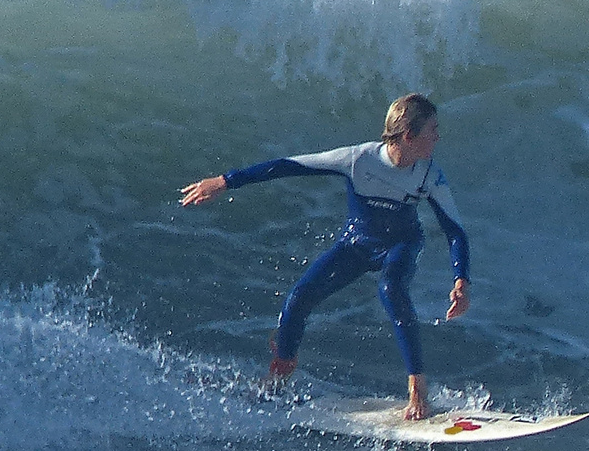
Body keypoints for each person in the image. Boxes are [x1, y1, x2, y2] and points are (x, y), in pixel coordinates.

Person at [179, 94, 469, 420]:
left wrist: (461, 280)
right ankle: (281, 369)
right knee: (300, 296)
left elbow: (454, 229)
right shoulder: (358, 159)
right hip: (357, 243)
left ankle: (418, 388)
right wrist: (224, 181)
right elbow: (288, 166)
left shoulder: (429, 174)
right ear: (408, 136)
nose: (438, 137)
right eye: (433, 129)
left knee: (392, 290)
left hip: (401, 244)